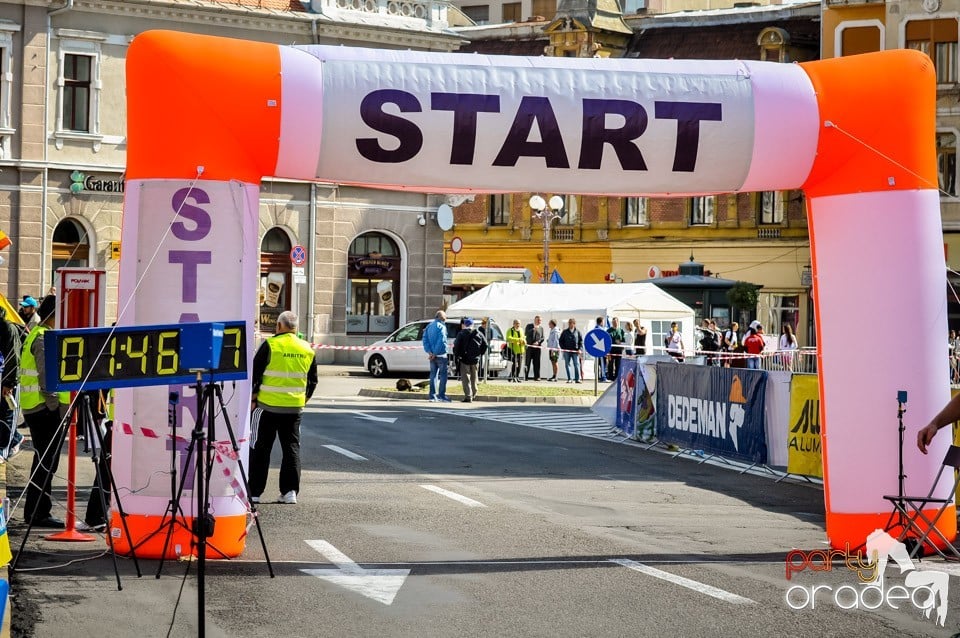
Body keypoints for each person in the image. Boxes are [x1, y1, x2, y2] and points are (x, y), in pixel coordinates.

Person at [249, 311, 318, 505]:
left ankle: (254, 492)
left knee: (260, 448)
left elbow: (255, 374)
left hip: (266, 407)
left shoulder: (270, 345)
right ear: (296, 328)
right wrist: (303, 399)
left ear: (279, 326)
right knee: (291, 450)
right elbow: (313, 380)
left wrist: (253, 399)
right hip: (294, 409)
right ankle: (289, 493)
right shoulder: (307, 348)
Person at [20, 295, 69, 527]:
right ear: (54, 315)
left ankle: (36, 511)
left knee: (43, 461)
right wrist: (56, 408)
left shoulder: (35, 333)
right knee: (46, 463)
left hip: (34, 408)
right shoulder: (43, 338)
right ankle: (38, 513)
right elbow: (47, 378)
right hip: (43, 410)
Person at [0, 306, 23, 460]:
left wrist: (9, 382)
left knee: (7, 413)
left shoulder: (9, 329)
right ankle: (15, 438)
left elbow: (13, 357)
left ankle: (4, 449)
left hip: (7, 379)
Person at [453, 318, 486, 403]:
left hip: (464, 359)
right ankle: (474, 392)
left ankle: (468, 396)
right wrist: (480, 354)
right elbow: (485, 345)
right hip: (475, 359)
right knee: (474, 377)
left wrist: (457, 355)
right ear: (473, 325)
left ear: (465, 325)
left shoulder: (461, 333)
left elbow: (456, 345)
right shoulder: (479, 333)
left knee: (466, 378)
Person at [422, 310, 451, 401]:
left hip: (432, 356)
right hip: (441, 355)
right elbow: (441, 341)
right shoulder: (441, 326)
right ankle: (441, 395)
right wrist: (435, 353)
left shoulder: (429, 326)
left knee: (433, 375)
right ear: (442, 318)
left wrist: (429, 352)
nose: (445, 319)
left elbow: (425, 339)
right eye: (445, 317)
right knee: (443, 376)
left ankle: (432, 396)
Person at [559, 318, 583, 383]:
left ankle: (577, 379)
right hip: (567, 351)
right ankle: (569, 378)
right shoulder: (565, 332)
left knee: (576, 364)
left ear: (574, 324)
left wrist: (580, 349)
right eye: (569, 323)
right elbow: (560, 341)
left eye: (571, 323)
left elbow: (581, 342)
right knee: (567, 364)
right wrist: (563, 348)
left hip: (575, 351)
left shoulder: (578, 332)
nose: (570, 324)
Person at [524, 315, 544, 381]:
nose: (539, 321)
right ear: (535, 320)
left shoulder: (541, 328)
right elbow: (526, 334)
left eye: (540, 320)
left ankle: (537, 377)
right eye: (538, 320)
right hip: (529, 348)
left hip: (537, 348)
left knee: (537, 363)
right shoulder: (529, 326)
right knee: (527, 362)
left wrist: (538, 342)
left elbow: (542, 338)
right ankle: (526, 376)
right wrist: (533, 329)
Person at [594, 317, 608, 381]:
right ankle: (603, 377)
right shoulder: (600, 329)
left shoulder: (595, 328)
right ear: (601, 322)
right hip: (601, 348)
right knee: (602, 363)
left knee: (598, 363)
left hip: (597, 348)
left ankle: (598, 376)